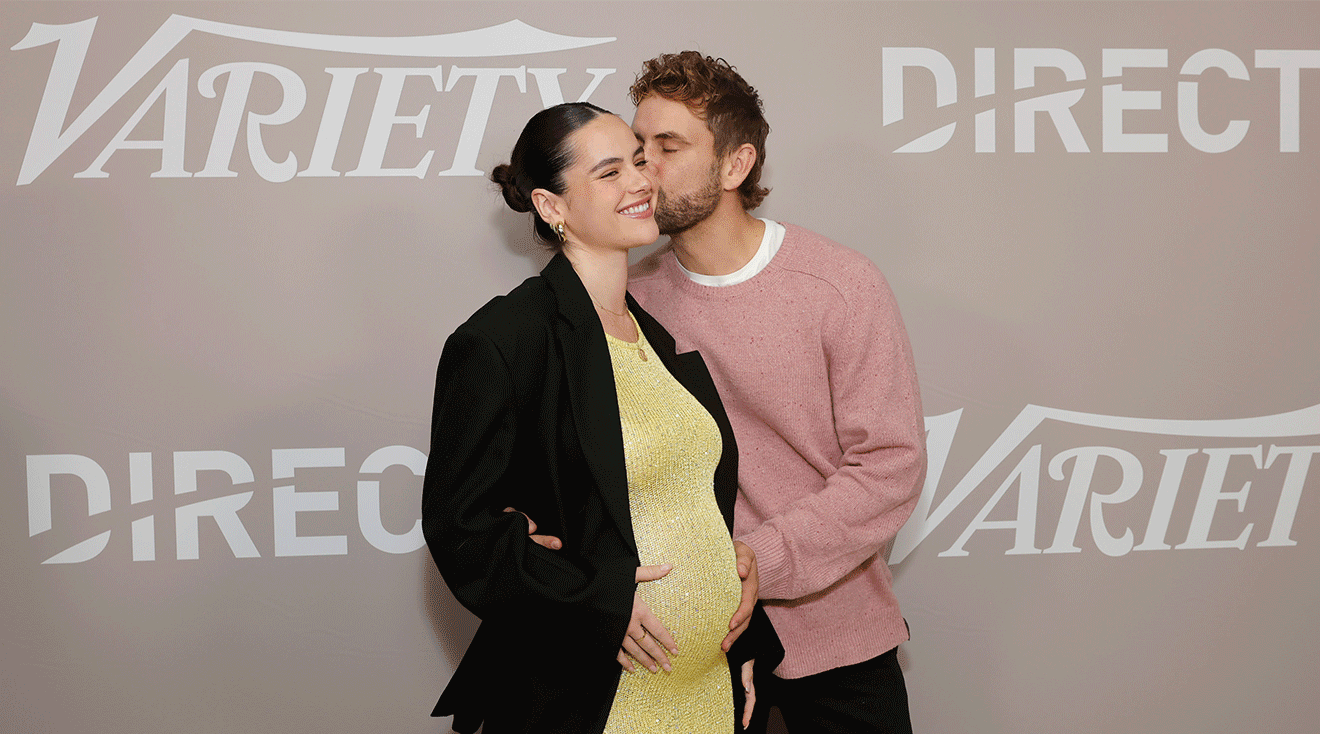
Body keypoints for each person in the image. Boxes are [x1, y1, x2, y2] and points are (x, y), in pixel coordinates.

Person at [421, 102, 781, 734]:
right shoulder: (506, 339)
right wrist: (595, 600)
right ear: (551, 206)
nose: (640, 182)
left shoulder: (656, 338)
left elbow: (689, 507)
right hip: (600, 695)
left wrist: (743, 639)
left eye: (640, 162)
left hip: (704, 691)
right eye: (610, 172)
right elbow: (465, 533)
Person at [625, 52, 928, 734]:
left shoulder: (841, 285)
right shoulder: (629, 301)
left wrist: (763, 558)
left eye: (668, 147)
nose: (643, 167)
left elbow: (890, 465)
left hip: (840, 637)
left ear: (736, 166)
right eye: (637, 146)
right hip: (690, 644)